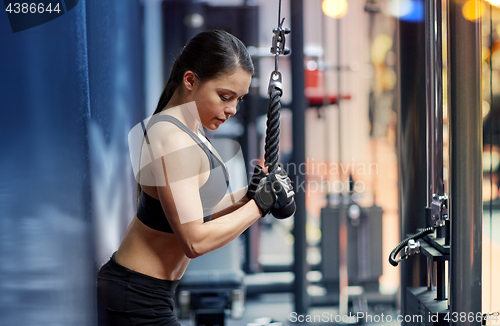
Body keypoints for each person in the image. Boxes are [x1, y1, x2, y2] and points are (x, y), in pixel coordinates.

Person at [97, 30, 294, 326]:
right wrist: (259, 207)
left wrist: (247, 196)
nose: (232, 109)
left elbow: (194, 211)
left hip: (148, 293)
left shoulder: (189, 128)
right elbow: (194, 241)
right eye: (225, 97)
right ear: (190, 80)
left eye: (238, 99)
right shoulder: (174, 139)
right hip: (135, 299)